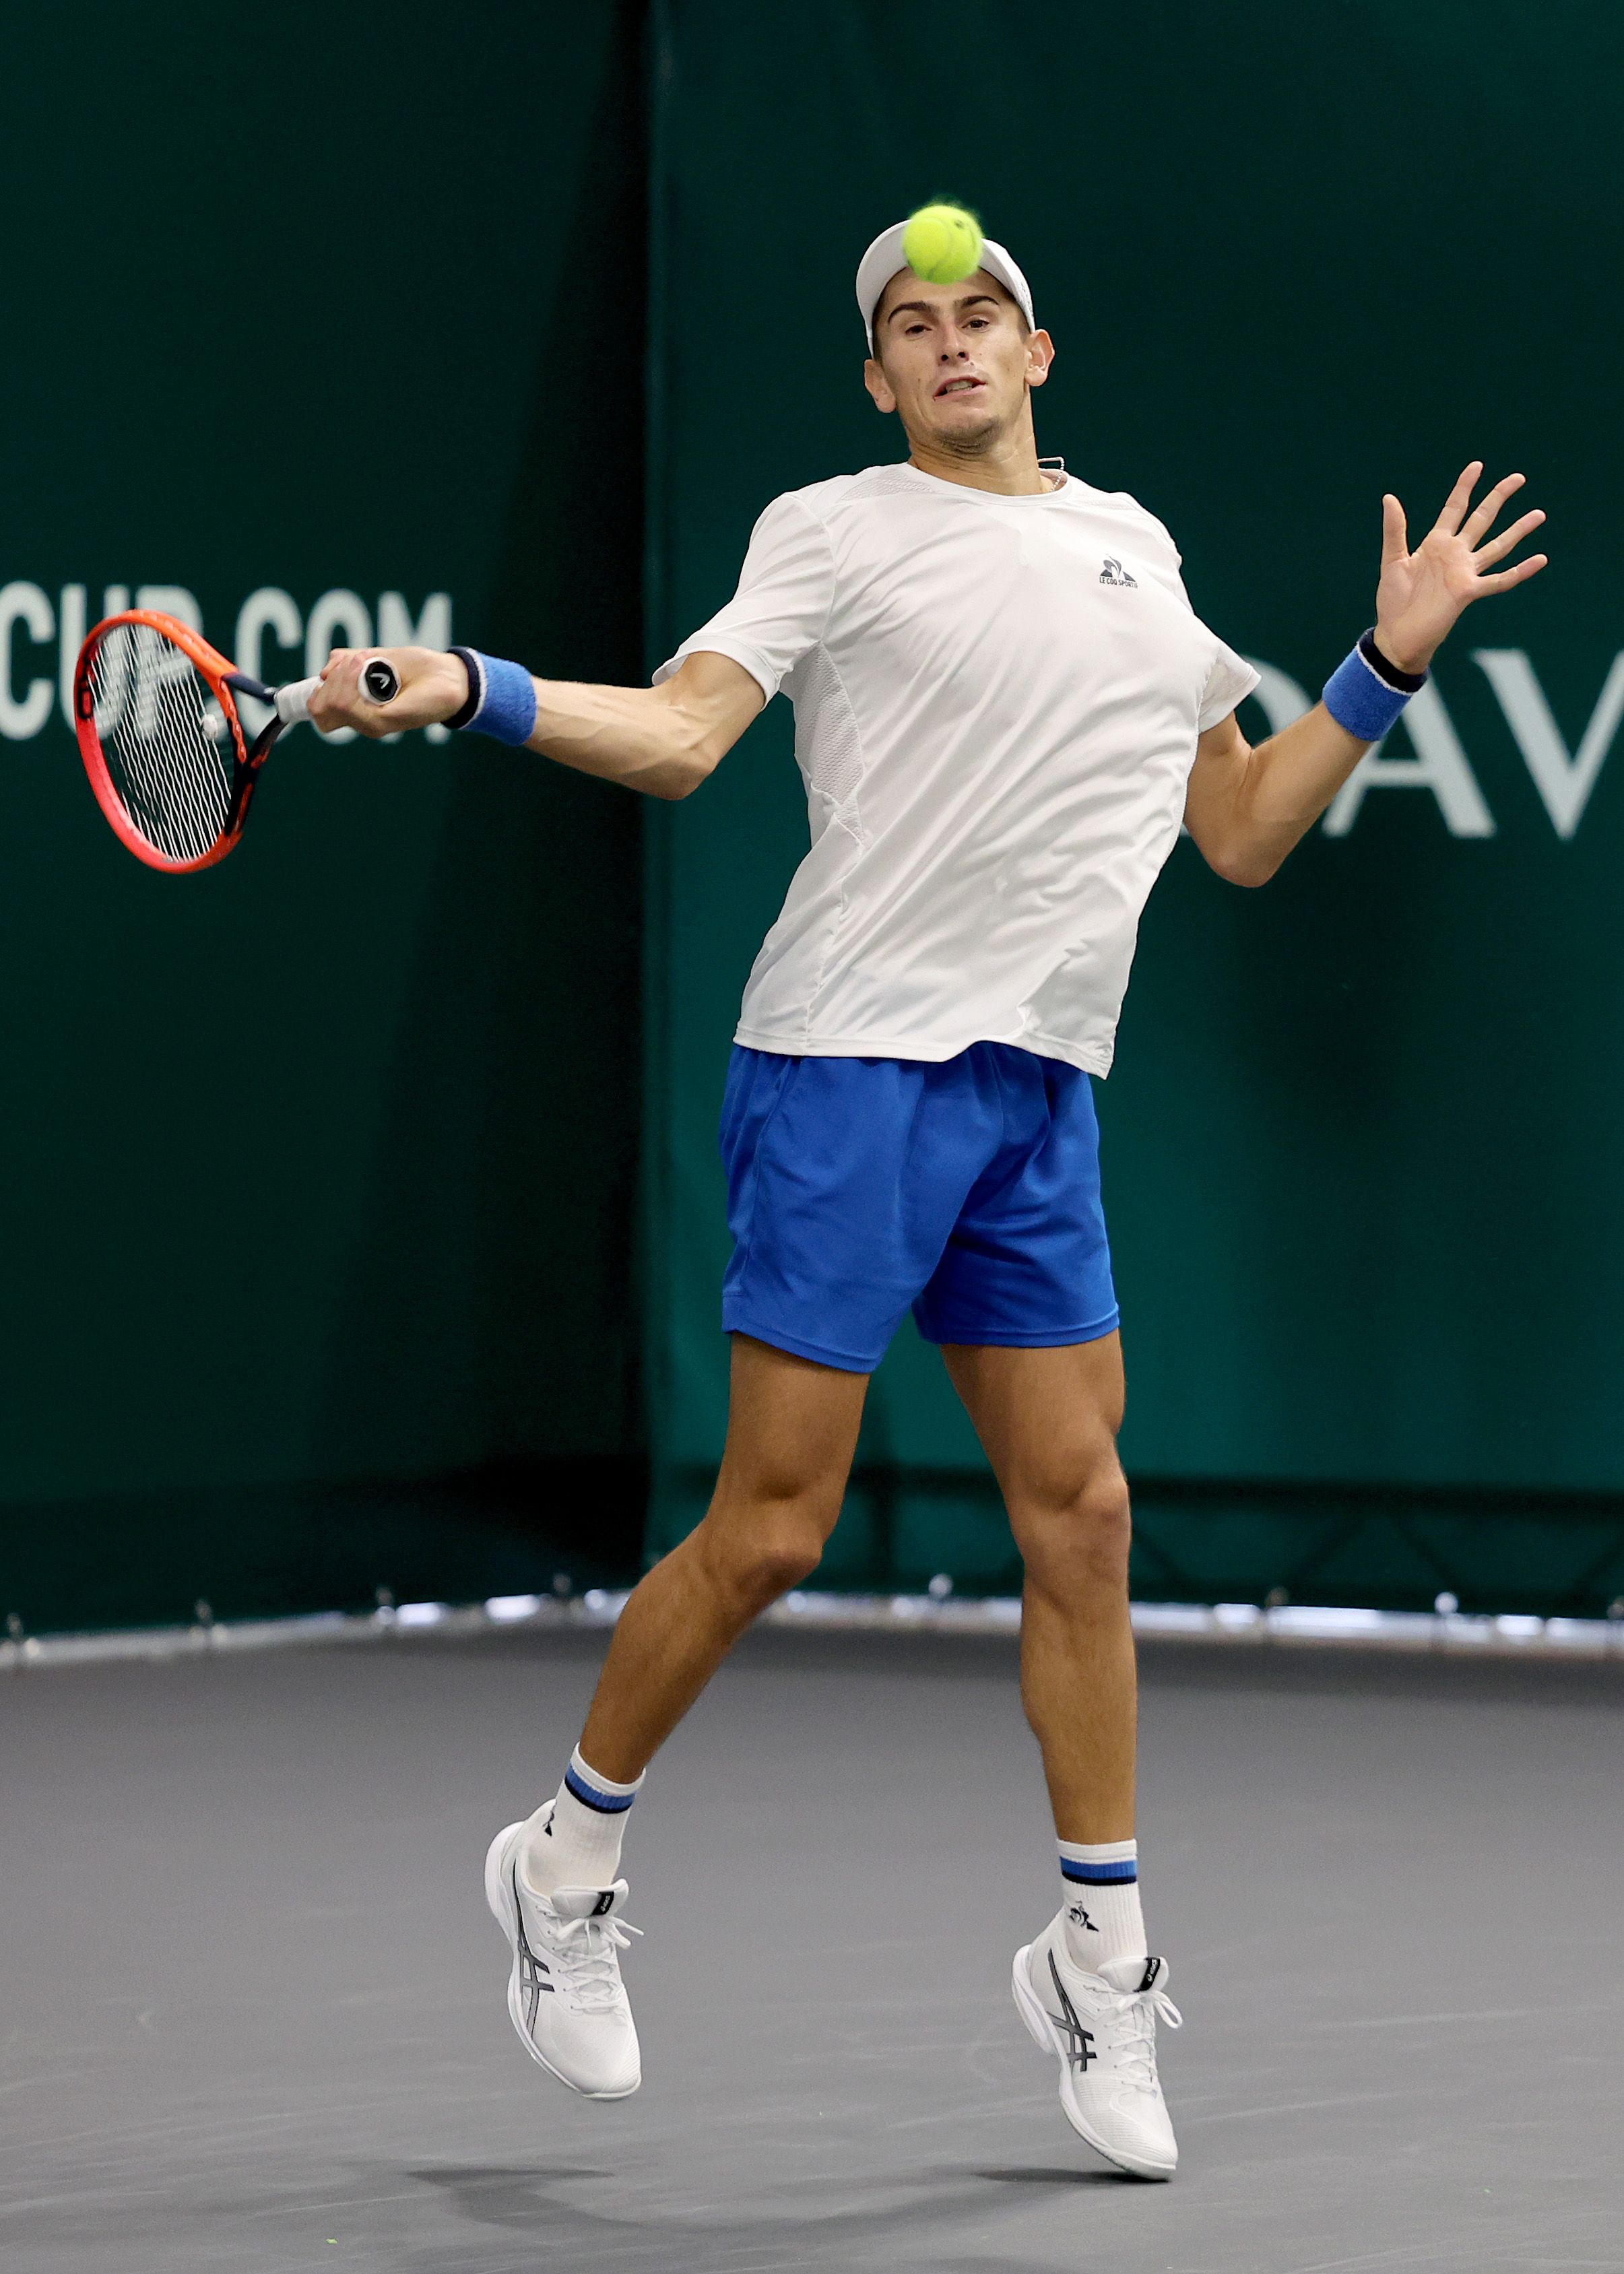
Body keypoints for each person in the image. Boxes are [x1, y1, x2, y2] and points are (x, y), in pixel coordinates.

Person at [311, 218, 1546, 2178]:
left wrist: (1383, 656)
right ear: (877, 380)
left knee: (1086, 1513)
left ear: (1037, 346)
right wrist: (474, 685)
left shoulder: (1139, 557)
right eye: (910, 324)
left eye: (979, 314)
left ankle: (1101, 1960)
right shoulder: (833, 525)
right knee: (777, 1525)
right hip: (845, 1071)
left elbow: (1235, 830)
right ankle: (558, 1858)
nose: (950, 340)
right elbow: (688, 733)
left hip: (1037, 1089)